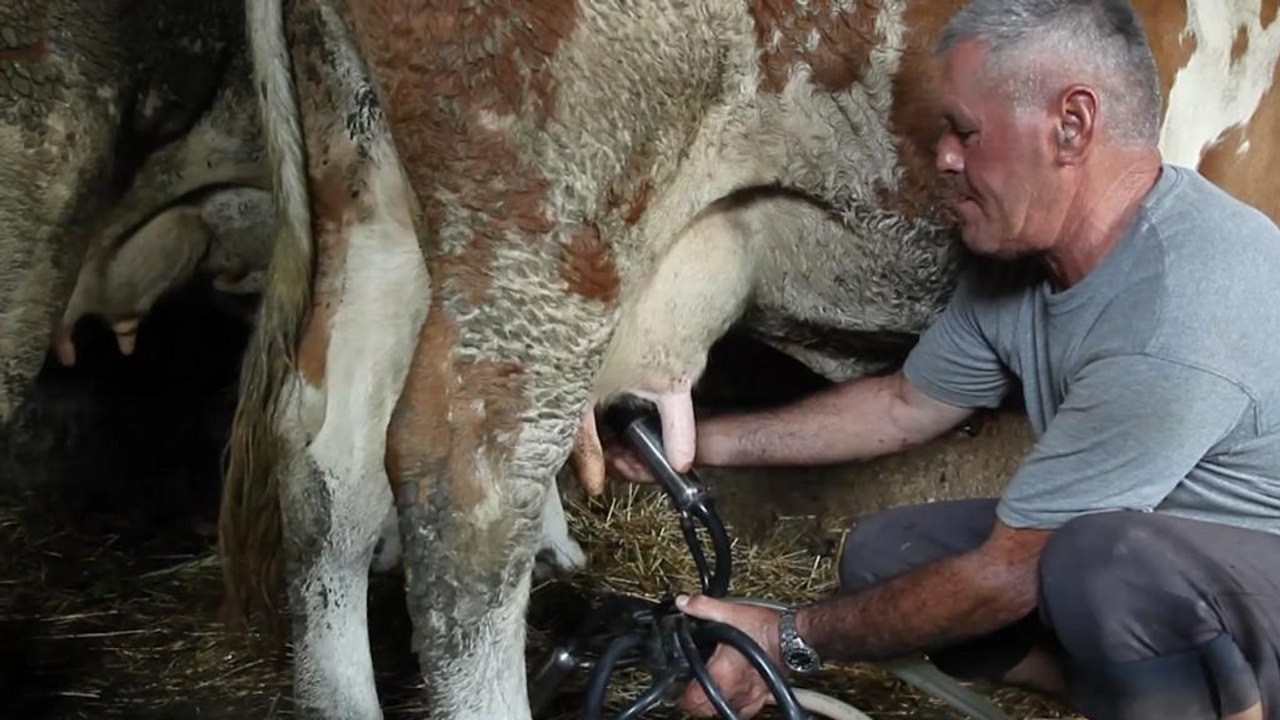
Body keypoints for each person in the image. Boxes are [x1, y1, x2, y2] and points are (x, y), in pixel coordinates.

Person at [606, 1, 1280, 718]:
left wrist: (788, 635)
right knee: (890, 550)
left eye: (965, 131)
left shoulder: (1177, 302)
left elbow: (1008, 575)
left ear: (1071, 127)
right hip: (1174, 576)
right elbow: (903, 406)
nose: (945, 159)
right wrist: (694, 445)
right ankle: (1115, 697)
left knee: (1098, 563)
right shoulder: (1025, 268)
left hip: (1243, 584)